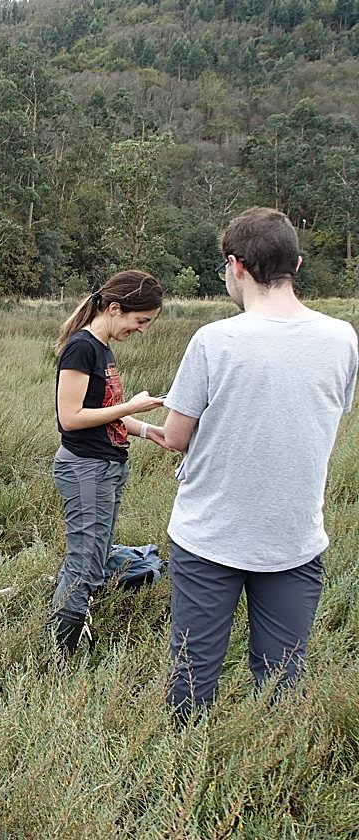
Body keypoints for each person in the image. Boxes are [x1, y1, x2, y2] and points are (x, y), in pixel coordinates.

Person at [160, 208, 357, 719]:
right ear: (296, 262)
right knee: (282, 679)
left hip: (208, 537)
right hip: (293, 538)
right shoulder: (342, 338)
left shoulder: (213, 340)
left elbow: (177, 437)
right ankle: (268, 776)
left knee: (192, 671)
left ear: (236, 266)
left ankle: (180, 771)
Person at [50, 269, 168, 652]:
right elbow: (70, 418)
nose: (143, 330)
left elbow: (106, 410)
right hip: (85, 468)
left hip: (107, 466)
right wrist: (132, 404)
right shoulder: (81, 348)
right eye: (141, 321)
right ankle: (62, 653)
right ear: (115, 308)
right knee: (85, 565)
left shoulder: (103, 349)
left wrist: (150, 430)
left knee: (95, 556)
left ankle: (73, 629)